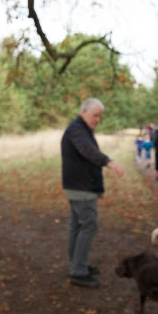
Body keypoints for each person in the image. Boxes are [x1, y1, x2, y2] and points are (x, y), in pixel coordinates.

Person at [61, 98, 124, 288]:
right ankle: (78, 271)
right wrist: (109, 162)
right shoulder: (77, 129)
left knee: (78, 226)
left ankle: (77, 265)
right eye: (95, 115)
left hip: (79, 186)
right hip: (81, 188)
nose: (97, 119)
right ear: (84, 112)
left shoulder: (81, 129)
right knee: (89, 225)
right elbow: (88, 151)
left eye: (100, 116)